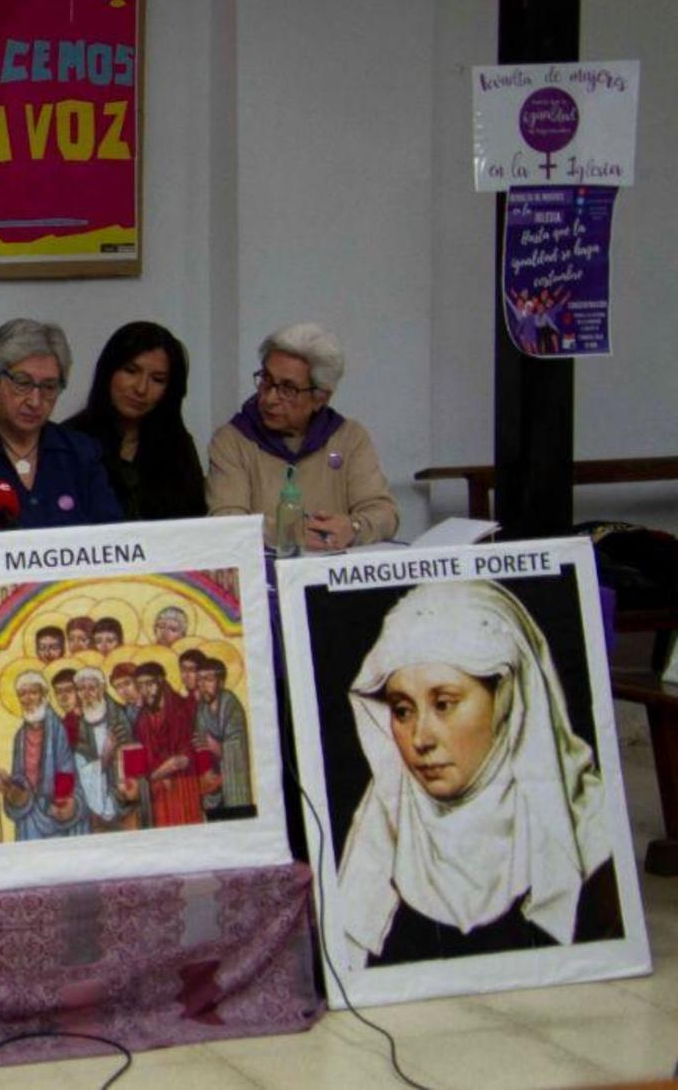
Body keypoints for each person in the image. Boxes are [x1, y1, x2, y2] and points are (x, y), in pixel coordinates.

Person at [336, 581, 621, 968]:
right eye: (402, 710)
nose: (420, 739)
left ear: (505, 698)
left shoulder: (592, 838)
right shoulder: (375, 844)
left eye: (444, 704)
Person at [206, 323, 399, 550]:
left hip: (334, 568)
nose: (269, 398)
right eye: (266, 380)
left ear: (320, 397)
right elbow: (226, 521)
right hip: (266, 569)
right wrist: (287, 533)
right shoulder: (232, 440)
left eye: (288, 389)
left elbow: (384, 513)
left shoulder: (349, 438)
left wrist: (353, 528)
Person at [0, 319, 122, 532]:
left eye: (49, 387)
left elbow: (113, 537)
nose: (35, 401)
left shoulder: (81, 453)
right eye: (23, 383)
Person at [63, 321, 207, 521]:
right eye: (131, 371)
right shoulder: (69, 441)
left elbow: (195, 521)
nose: (141, 388)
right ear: (108, 372)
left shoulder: (177, 444)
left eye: (157, 379)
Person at [0, 671, 87, 840]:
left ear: (44, 695)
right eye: (22, 694)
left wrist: (62, 802)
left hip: (55, 812)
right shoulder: (20, 736)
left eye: (33, 692)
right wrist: (11, 788)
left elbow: (66, 770)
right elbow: (20, 777)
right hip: (29, 817)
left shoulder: (58, 728)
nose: (28, 699)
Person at [131, 662, 204, 828]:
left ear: (161, 681)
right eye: (140, 686)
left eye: (149, 684)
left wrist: (153, 776)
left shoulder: (181, 709)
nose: (145, 691)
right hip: (158, 793)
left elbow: (182, 760)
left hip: (183, 786)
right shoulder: (142, 719)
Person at [73, 666, 137, 832]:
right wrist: (104, 757)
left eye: (91, 688)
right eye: (81, 689)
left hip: (126, 801)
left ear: (102, 689)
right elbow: (79, 767)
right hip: (94, 807)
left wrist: (128, 788)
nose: (86, 694)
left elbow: (134, 753)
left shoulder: (121, 716)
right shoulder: (78, 726)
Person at [192, 653, 252, 817]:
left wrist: (215, 746)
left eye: (208, 679)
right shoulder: (202, 709)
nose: (202, 685)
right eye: (199, 680)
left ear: (221, 682)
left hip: (234, 781)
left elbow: (238, 750)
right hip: (214, 785)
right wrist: (206, 771)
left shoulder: (231, 705)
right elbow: (200, 745)